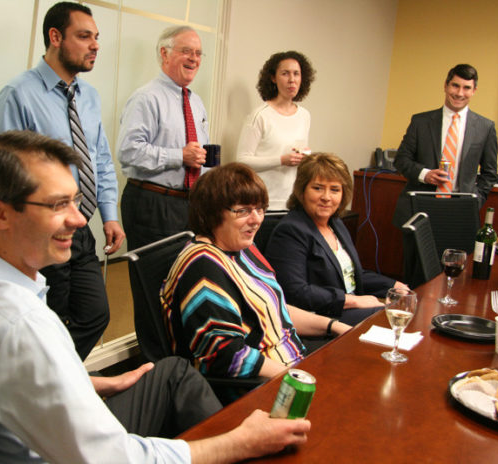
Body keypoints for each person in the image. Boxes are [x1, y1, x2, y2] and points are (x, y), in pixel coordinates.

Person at [0, 130, 310, 463]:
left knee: (171, 372)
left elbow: (1, 381)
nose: (80, 219)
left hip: (32, 434)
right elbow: (114, 458)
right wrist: (240, 442)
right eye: (58, 204)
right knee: (234, 439)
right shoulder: (23, 327)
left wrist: (88, 381)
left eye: (75, 200)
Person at [0, 2, 124, 359]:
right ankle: (42, 389)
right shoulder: (18, 95)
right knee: (49, 320)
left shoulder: (90, 97)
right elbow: (2, 175)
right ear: (55, 37)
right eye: (84, 36)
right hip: (39, 229)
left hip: (79, 227)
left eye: (97, 38)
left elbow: (101, 159)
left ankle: (56, 376)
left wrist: (109, 214)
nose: (95, 45)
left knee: (95, 314)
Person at [161, 163, 351, 381]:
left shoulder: (243, 248)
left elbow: (274, 309)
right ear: (211, 214)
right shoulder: (204, 267)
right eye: (243, 211)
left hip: (294, 360)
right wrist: (299, 379)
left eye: (260, 209)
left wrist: (334, 326)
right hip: (261, 385)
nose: (257, 219)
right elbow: (225, 354)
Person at [266, 153, 408, 325]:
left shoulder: (335, 223)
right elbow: (295, 292)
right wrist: (353, 300)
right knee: (394, 318)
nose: (326, 197)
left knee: (408, 305)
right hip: (322, 317)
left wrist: (394, 285)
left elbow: (352, 274)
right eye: (318, 188)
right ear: (301, 190)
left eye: (334, 189)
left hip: (349, 308)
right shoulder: (291, 230)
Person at [118, 25, 210, 250]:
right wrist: (179, 156)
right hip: (153, 203)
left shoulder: (196, 102)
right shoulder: (146, 98)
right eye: (187, 51)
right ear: (164, 53)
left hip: (190, 204)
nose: (194, 59)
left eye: (198, 53)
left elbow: (199, 155)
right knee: (154, 279)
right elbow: (129, 151)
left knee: (184, 277)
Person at [391, 63, 498, 228]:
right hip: (418, 208)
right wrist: (424, 174)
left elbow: (489, 174)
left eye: (466, 88)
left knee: (454, 255)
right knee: (414, 255)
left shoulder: (485, 128)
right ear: (446, 86)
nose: (459, 93)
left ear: (474, 91)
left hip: (459, 211)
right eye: (455, 85)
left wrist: (475, 200)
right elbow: (401, 160)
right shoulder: (421, 122)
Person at [236, 50, 316, 211]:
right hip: (262, 203)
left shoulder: (304, 115)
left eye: (296, 74)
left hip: (293, 202)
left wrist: (305, 156)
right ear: (273, 78)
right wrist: (281, 160)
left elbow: (301, 150)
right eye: (285, 74)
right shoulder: (260, 115)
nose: (292, 80)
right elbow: (242, 161)